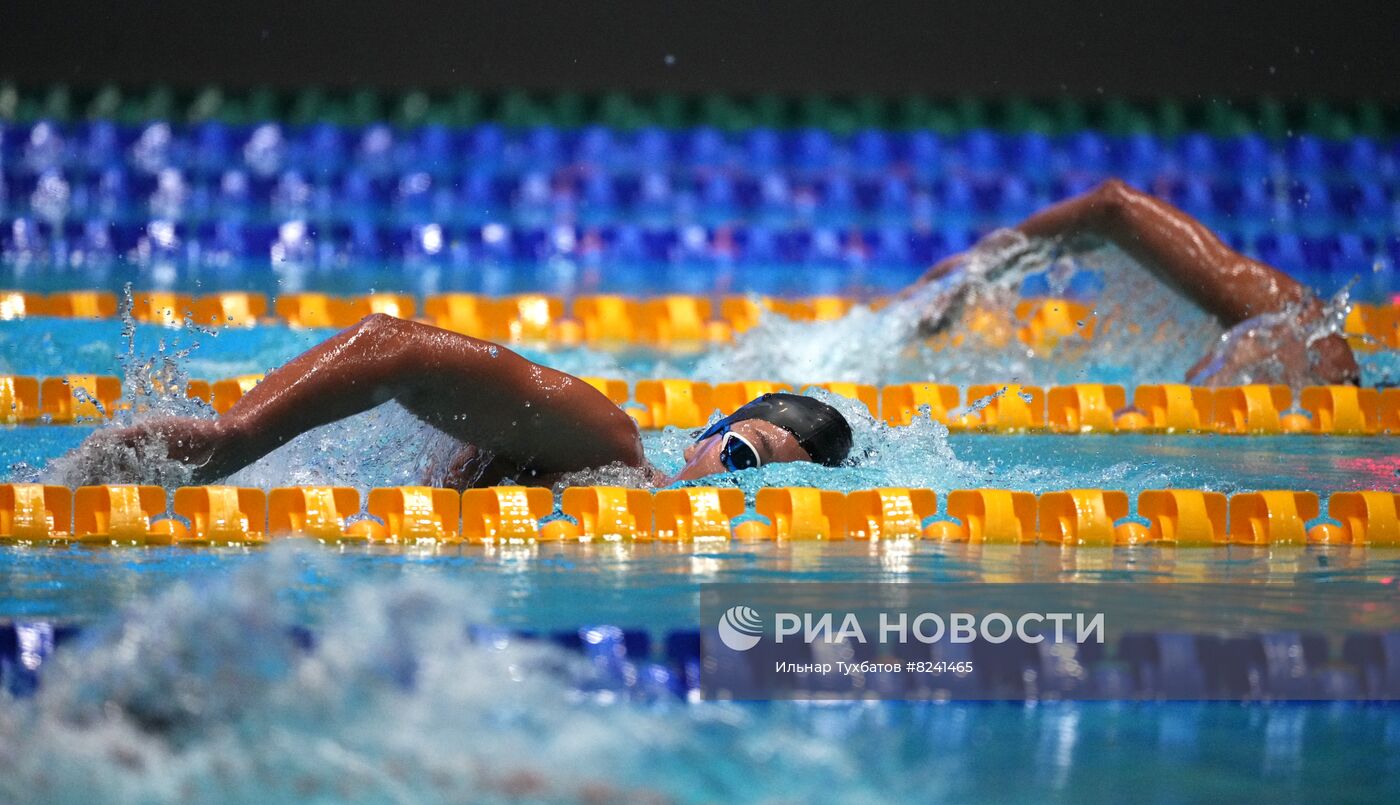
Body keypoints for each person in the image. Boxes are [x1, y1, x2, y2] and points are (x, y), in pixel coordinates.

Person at [79, 179, 1356, 488]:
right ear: (714, 434)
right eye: (737, 462)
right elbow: (394, 337)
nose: (727, 488)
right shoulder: (611, 442)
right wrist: (229, 436)